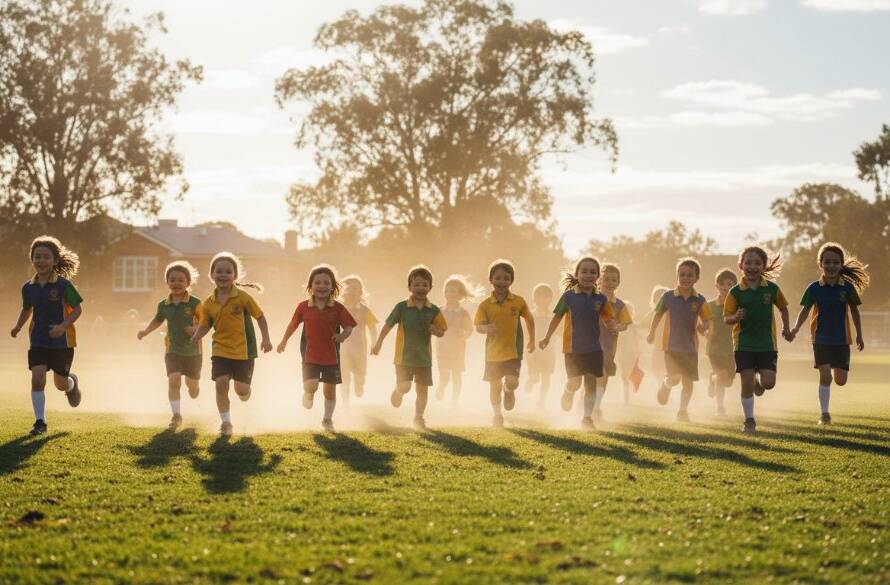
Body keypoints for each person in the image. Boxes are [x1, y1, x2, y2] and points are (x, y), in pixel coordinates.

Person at [191, 252, 272, 437]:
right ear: (211, 275)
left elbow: (260, 316)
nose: (223, 274)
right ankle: (226, 423)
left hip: (244, 351)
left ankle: (245, 392)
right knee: (221, 384)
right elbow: (205, 324)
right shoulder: (208, 303)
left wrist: (266, 339)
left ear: (235, 276)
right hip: (220, 350)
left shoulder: (242, 298)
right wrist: (197, 335)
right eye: (219, 271)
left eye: (228, 271)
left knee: (241, 392)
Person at [787, 242, 869, 425]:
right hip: (820, 338)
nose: (831, 266)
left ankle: (834, 368)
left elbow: (855, 311)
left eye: (835, 262)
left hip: (841, 340)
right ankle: (824, 414)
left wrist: (859, 335)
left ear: (841, 264)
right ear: (820, 264)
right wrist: (795, 328)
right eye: (827, 262)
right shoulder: (814, 288)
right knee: (824, 375)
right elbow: (805, 310)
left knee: (840, 380)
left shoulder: (847, 288)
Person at [10, 236, 84, 436]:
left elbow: (77, 310)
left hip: (62, 342)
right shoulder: (28, 287)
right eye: (37, 257)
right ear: (31, 259)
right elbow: (27, 309)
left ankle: (71, 383)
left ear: (55, 261)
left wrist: (62, 326)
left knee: (60, 385)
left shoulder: (63, 285)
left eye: (45, 257)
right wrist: (18, 326)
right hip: (38, 341)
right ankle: (40, 422)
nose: (41, 260)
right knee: (37, 379)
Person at [539, 257, 614, 431]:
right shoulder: (569, 296)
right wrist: (547, 337)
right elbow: (557, 317)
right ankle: (568, 392)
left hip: (594, 348)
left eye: (593, 272)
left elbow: (608, 318)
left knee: (590, 382)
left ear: (598, 277)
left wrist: (613, 326)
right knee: (575, 383)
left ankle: (587, 418)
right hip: (572, 348)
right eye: (584, 271)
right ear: (577, 274)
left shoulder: (601, 299)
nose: (588, 275)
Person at [278, 265, 355, 432]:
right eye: (317, 282)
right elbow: (292, 325)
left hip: (331, 357)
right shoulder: (303, 306)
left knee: (330, 391)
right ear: (310, 286)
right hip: (310, 355)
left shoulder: (338, 307)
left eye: (326, 283)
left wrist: (342, 336)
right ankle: (308, 393)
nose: (322, 286)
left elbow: (349, 326)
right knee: (311, 385)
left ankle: (327, 420)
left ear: (333, 287)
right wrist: (284, 341)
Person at [723, 246, 790, 435]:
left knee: (769, 383)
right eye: (748, 263)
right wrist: (736, 317)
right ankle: (749, 420)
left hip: (767, 345)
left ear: (763, 266)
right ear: (741, 266)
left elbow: (784, 308)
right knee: (746, 382)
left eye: (757, 263)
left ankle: (759, 382)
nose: (752, 266)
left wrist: (786, 327)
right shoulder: (735, 292)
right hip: (743, 345)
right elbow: (726, 318)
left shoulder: (771, 289)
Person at [372, 266, 447, 430]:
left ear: (430, 288)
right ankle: (398, 392)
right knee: (405, 387)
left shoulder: (434, 310)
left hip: (424, 359)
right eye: (417, 285)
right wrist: (378, 343)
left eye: (425, 285)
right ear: (410, 287)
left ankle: (419, 417)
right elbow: (387, 325)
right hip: (403, 358)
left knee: (422, 390)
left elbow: (442, 330)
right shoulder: (402, 307)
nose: (421, 288)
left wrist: (436, 331)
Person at [137, 261, 203, 430]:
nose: (176, 283)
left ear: (188, 283)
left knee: (192, 386)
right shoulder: (163, 304)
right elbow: (158, 320)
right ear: (167, 283)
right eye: (172, 280)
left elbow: (206, 323)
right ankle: (176, 416)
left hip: (193, 352)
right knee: (173, 381)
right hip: (172, 350)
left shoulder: (195, 303)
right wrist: (145, 331)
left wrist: (195, 329)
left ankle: (194, 388)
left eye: (181, 280)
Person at [646, 258, 712, 422]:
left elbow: (707, 319)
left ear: (696, 278)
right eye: (682, 274)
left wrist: (704, 327)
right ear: (677, 276)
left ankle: (682, 411)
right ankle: (666, 385)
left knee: (688, 383)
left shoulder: (700, 300)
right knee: (674, 377)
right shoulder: (668, 296)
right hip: (671, 346)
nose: (685, 278)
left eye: (690, 275)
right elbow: (658, 314)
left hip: (690, 348)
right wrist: (652, 332)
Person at [474, 260, 535, 428]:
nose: (502, 282)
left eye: (506, 278)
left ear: (511, 281)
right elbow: (478, 327)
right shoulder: (485, 305)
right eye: (498, 278)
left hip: (513, 351)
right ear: (491, 280)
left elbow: (529, 319)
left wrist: (532, 339)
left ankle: (509, 392)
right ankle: (497, 415)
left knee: (512, 381)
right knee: (494, 386)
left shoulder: (518, 301)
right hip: (492, 353)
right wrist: (486, 328)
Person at [596, 264, 633, 421]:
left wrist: (618, 326)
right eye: (606, 279)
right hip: (589, 344)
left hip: (609, 346)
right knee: (593, 376)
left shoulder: (620, 305)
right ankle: (590, 405)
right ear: (599, 280)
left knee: (603, 378)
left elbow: (625, 324)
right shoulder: (592, 299)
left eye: (614, 280)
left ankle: (595, 406)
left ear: (618, 283)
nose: (610, 283)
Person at [435, 275, 476, 405]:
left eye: (453, 291)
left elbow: (470, 329)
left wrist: (463, 336)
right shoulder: (439, 311)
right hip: (442, 347)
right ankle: (442, 386)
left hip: (458, 349)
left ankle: (455, 400)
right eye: (447, 290)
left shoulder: (463, 313)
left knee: (456, 375)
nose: (450, 293)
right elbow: (433, 326)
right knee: (444, 373)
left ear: (460, 295)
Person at [339, 275, 378, 402]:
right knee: (344, 378)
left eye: (355, 288)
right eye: (348, 288)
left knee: (359, 375)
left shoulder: (364, 310)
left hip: (359, 350)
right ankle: (346, 403)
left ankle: (359, 383)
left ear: (361, 292)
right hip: (342, 350)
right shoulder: (338, 309)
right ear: (343, 291)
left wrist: (374, 343)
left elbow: (372, 327)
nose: (351, 291)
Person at [706, 269, 738, 417]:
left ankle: (712, 378)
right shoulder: (710, 306)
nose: (725, 287)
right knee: (722, 376)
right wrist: (703, 331)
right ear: (716, 286)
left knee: (727, 381)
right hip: (714, 349)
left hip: (732, 349)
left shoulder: (737, 306)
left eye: (730, 285)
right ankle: (720, 407)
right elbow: (702, 324)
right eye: (722, 284)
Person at [525, 283, 557, 408]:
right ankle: (531, 381)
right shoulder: (531, 315)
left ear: (551, 299)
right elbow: (525, 331)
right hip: (534, 351)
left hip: (549, 352)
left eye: (546, 297)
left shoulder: (553, 316)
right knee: (535, 376)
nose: (543, 299)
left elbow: (559, 330)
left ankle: (541, 401)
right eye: (540, 296)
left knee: (546, 378)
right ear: (534, 299)